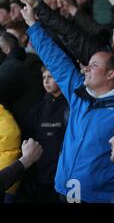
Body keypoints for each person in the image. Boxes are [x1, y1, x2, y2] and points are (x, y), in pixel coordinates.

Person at [20, 0, 114, 203]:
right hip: (63, 190)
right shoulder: (79, 93)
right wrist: (32, 24)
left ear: (111, 75)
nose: (87, 68)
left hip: (100, 198)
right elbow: (56, 62)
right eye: (88, 64)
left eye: (95, 65)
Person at [18, 67, 69, 203]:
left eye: (50, 77)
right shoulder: (37, 109)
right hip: (42, 175)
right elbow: (30, 139)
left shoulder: (70, 106)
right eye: (43, 77)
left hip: (64, 175)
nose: (46, 81)